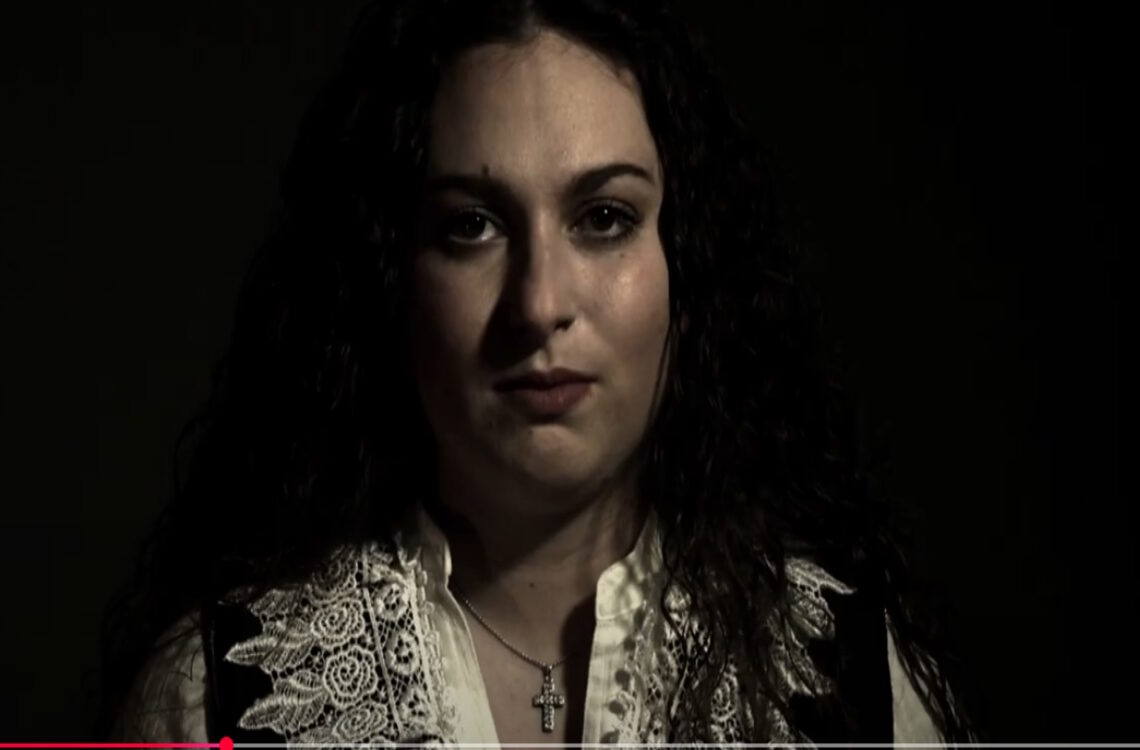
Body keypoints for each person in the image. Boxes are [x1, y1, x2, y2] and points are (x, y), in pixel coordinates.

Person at [99, 0, 977, 744]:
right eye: (472, 226)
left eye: (604, 217)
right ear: (388, 278)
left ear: (690, 269)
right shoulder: (214, 696)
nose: (539, 302)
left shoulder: (853, 679)